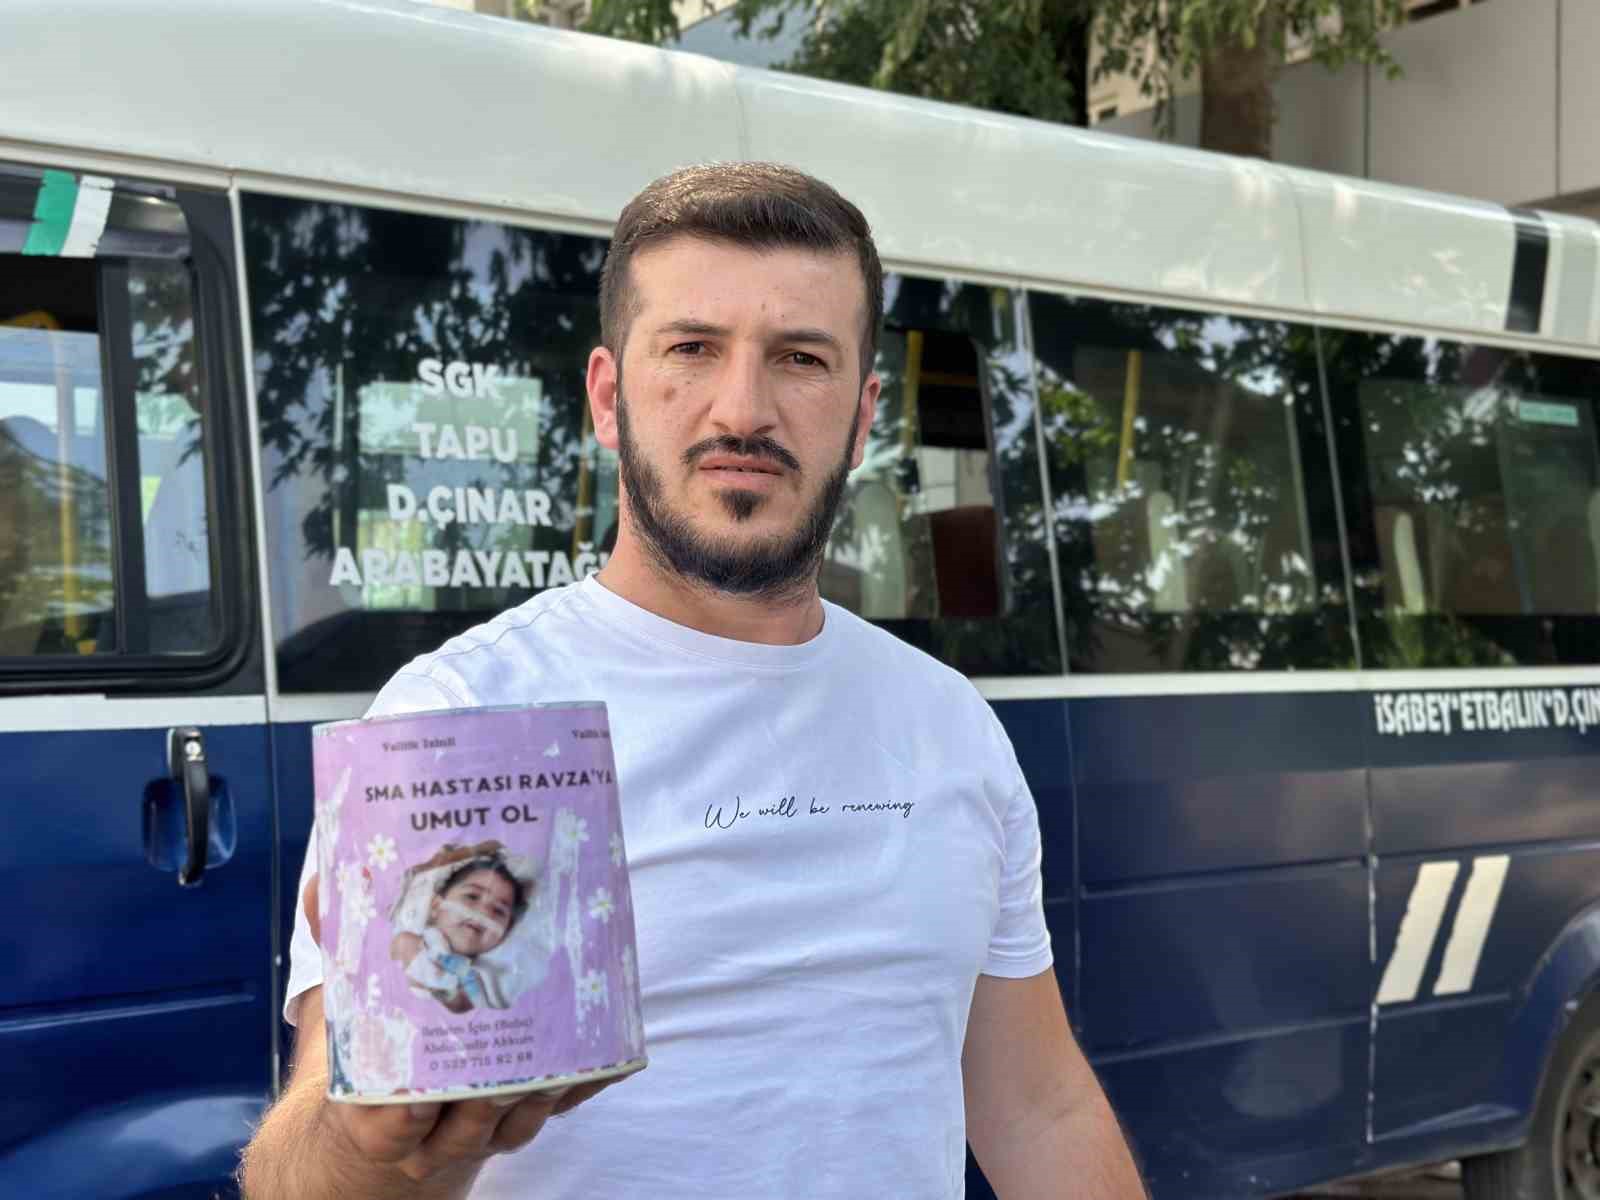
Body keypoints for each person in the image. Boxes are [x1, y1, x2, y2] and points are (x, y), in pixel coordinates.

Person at [238, 162, 1146, 1199]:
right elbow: (303, 1180)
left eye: (800, 358)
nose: (742, 409)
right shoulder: (460, 720)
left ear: (862, 417)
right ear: (608, 398)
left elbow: (1038, 1107)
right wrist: (372, 1145)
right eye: (691, 349)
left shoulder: (947, 722)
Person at [390, 847, 529, 1014]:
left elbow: (467, 1012)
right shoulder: (411, 942)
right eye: (472, 896)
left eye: (498, 911)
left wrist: (459, 997)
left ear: (504, 934)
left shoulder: (481, 979)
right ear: (436, 906)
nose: (483, 913)